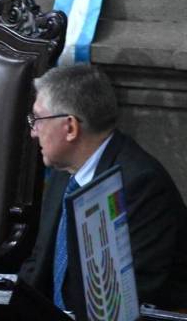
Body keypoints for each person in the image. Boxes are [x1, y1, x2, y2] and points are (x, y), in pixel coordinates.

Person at [19, 64, 187, 312]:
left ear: (70, 127)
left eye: (38, 119)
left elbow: (134, 292)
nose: (33, 131)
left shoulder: (140, 184)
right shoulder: (65, 170)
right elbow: (40, 259)